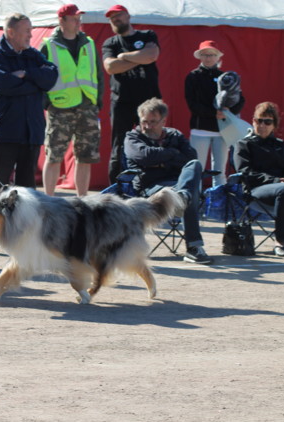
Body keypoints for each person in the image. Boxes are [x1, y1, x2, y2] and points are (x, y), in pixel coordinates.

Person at [0, 13, 58, 253]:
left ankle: (24, 239)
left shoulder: (33, 55)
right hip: (5, 131)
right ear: (11, 32)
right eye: (27, 30)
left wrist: (26, 75)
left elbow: (52, 76)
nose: (31, 34)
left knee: (27, 191)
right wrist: (34, 82)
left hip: (31, 131)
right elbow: (1, 83)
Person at [124, 98, 213, 264]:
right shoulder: (132, 137)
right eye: (144, 122)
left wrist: (160, 160)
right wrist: (172, 154)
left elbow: (191, 157)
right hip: (151, 188)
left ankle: (182, 197)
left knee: (194, 166)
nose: (148, 126)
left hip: (178, 184)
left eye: (153, 122)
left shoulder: (175, 135)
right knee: (190, 195)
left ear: (163, 121)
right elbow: (144, 156)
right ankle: (194, 247)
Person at [233, 102, 284, 257]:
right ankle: (280, 241)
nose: (262, 125)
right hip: (256, 191)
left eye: (267, 122)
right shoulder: (244, 144)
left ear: (274, 125)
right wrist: (276, 180)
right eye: (258, 120)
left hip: (282, 189)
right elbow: (245, 171)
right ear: (253, 121)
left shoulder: (280, 145)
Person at [40, 4, 103, 196]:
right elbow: (40, 78)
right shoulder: (49, 45)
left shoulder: (89, 43)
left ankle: (82, 200)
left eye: (79, 19)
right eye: (74, 19)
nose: (79, 22)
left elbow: (98, 74)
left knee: (85, 157)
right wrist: (47, 104)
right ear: (62, 21)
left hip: (87, 107)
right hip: (59, 107)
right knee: (54, 156)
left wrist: (97, 102)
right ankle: (48, 200)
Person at [102, 4, 161, 184]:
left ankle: (151, 183)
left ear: (127, 16)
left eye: (118, 16)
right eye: (112, 18)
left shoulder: (147, 35)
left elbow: (152, 55)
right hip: (122, 102)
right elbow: (111, 67)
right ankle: (117, 186)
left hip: (148, 103)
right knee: (119, 145)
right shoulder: (110, 43)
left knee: (152, 141)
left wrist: (123, 57)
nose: (115, 20)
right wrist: (139, 58)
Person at [185, 40, 245, 187]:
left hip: (222, 130)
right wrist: (214, 113)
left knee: (219, 171)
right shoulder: (192, 77)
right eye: (205, 55)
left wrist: (229, 112)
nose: (208, 58)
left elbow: (240, 99)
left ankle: (218, 204)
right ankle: (195, 203)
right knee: (196, 170)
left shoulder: (226, 77)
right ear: (199, 56)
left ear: (218, 57)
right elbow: (192, 104)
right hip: (200, 130)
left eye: (212, 54)